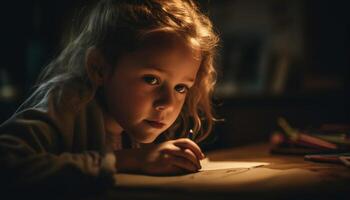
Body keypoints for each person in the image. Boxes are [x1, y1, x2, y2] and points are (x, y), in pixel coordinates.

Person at [0, 0, 219, 197]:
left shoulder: (132, 123)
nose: (168, 104)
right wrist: (131, 160)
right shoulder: (69, 101)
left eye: (181, 87)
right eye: (151, 80)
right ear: (99, 68)